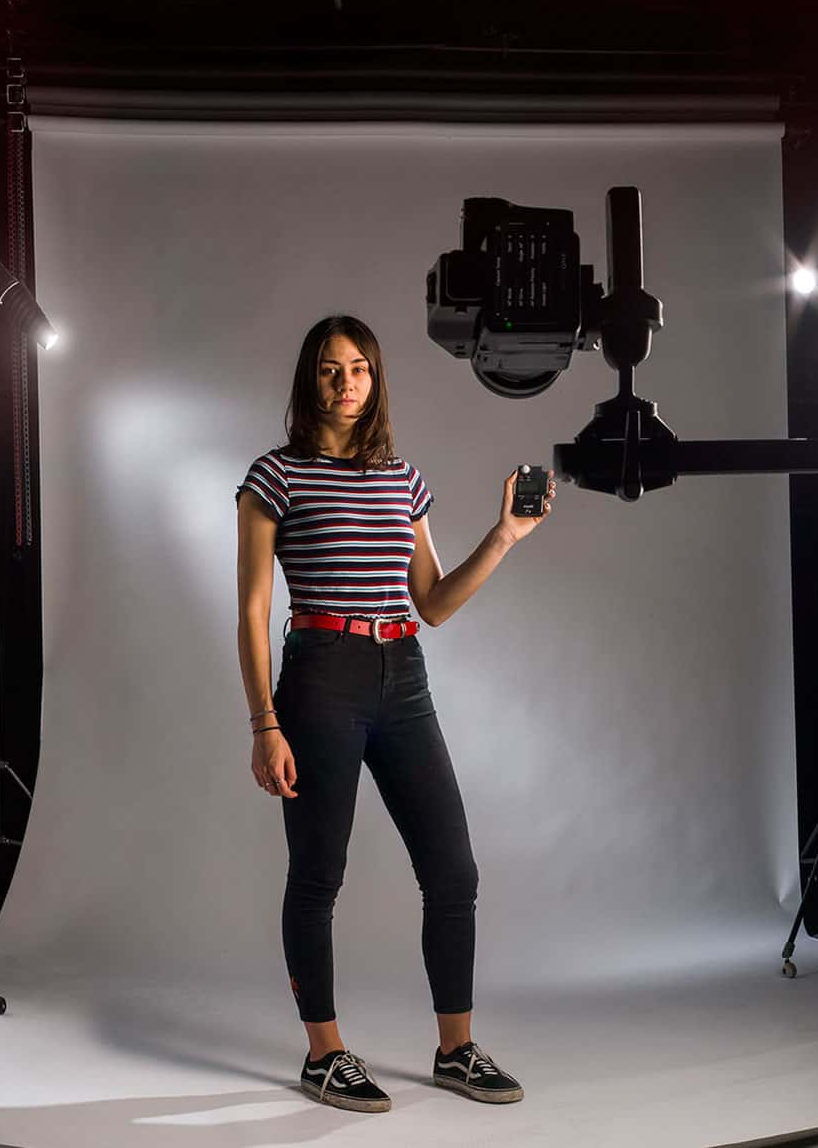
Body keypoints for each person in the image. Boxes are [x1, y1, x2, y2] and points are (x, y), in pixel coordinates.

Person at [234, 314, 555, 1114]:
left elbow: (435, 602)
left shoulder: (400, 478)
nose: (346, 384)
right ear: (309, 381)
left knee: (453, 871)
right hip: (321, 678)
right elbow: (250, 609)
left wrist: (506, 535)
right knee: (318, 877)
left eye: (361, 370)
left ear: (377, 381)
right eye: (330, 371)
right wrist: (264, 722)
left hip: (403, 672)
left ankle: (455, 1049)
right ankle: (325, 1055)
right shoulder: (275, 476)